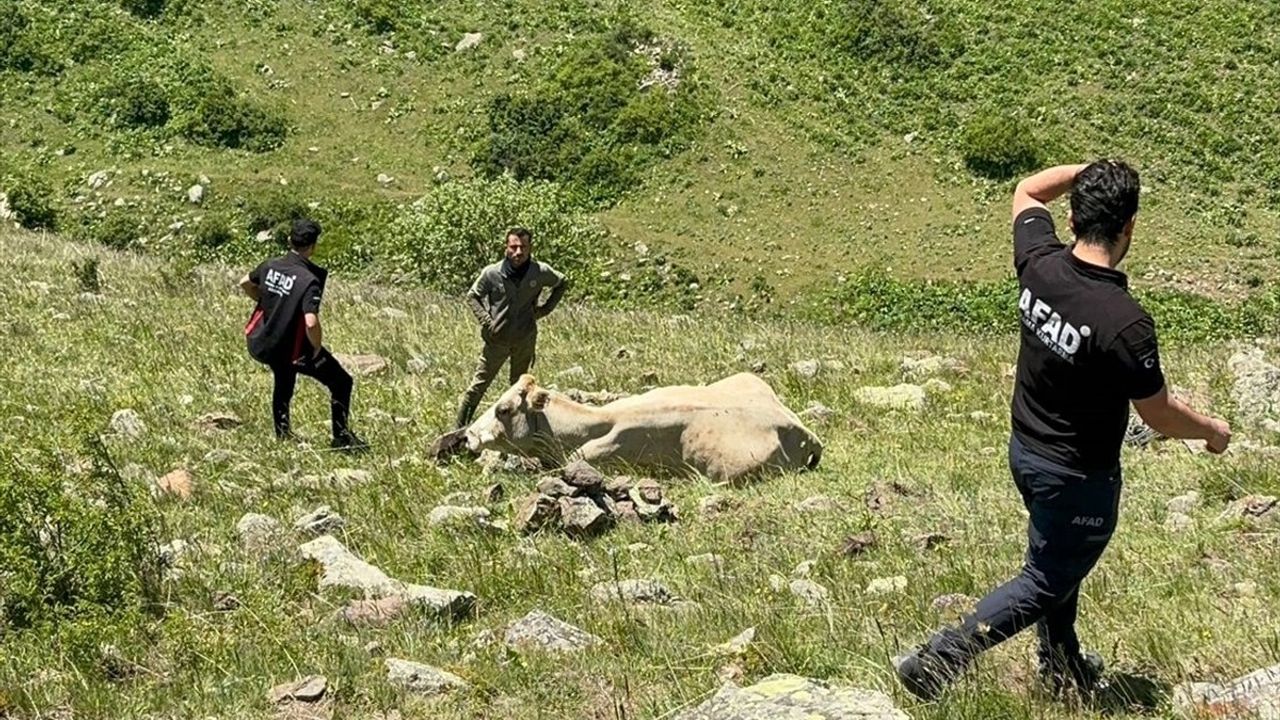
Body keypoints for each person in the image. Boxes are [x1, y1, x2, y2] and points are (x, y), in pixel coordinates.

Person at [893, 160, 1231, 702]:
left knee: (1056, 555)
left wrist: (1086, 170)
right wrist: (1212, 430)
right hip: (1077, 475)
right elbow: (1158, 414)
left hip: (1026, 450)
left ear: (1071, 217)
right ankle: (937, 660)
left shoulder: (1039, 263)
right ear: (1130, 228)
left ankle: (1062, 664)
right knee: (1046, 577)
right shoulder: (1124, 321)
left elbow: (1026, 189)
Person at [240, 218, 368, 452]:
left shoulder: (269, 265)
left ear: (290, 240)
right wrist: (317, 347)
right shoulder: (310, 280)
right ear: (312, 247)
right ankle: (340, 436)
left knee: (283, 378)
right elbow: (310, 322)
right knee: (342, 382)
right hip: (294, 348)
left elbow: (245, 283)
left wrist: (265, 300)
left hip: (268, 341)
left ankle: (282, 434)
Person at [454, 227, 567, 429]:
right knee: (477, 388)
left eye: (523, 247)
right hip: (497, 340)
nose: (518, 252)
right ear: (506, 247)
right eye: (513, 247)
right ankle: (458, 430)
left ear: (530, 247)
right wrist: (487, 322)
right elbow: (472, 296)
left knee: (519, 390)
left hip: (524, 339)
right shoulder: (492, 273)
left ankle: (516, 436)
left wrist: (545, 309)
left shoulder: (540, 271)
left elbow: (562, 282)